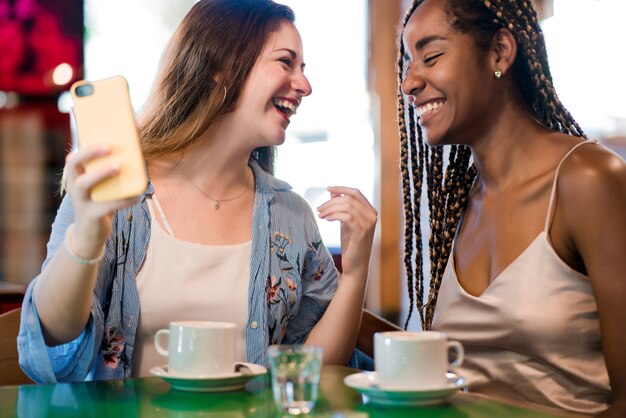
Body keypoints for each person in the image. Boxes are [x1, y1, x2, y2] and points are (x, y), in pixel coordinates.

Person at [18, 0, 377, 383]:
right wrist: (87, 238)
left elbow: (310, 369)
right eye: (285, 62)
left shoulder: (291, 214)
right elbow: (53, 337)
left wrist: (355, 274)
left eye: (302, 68)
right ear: (220, 69)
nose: (305, 85)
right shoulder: (113, 199)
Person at [398, 0, 626, 416]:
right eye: (409, 62)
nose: (409, 81)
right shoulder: (458, 206)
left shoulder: (588, 179)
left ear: (500, 52)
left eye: (430, 57)